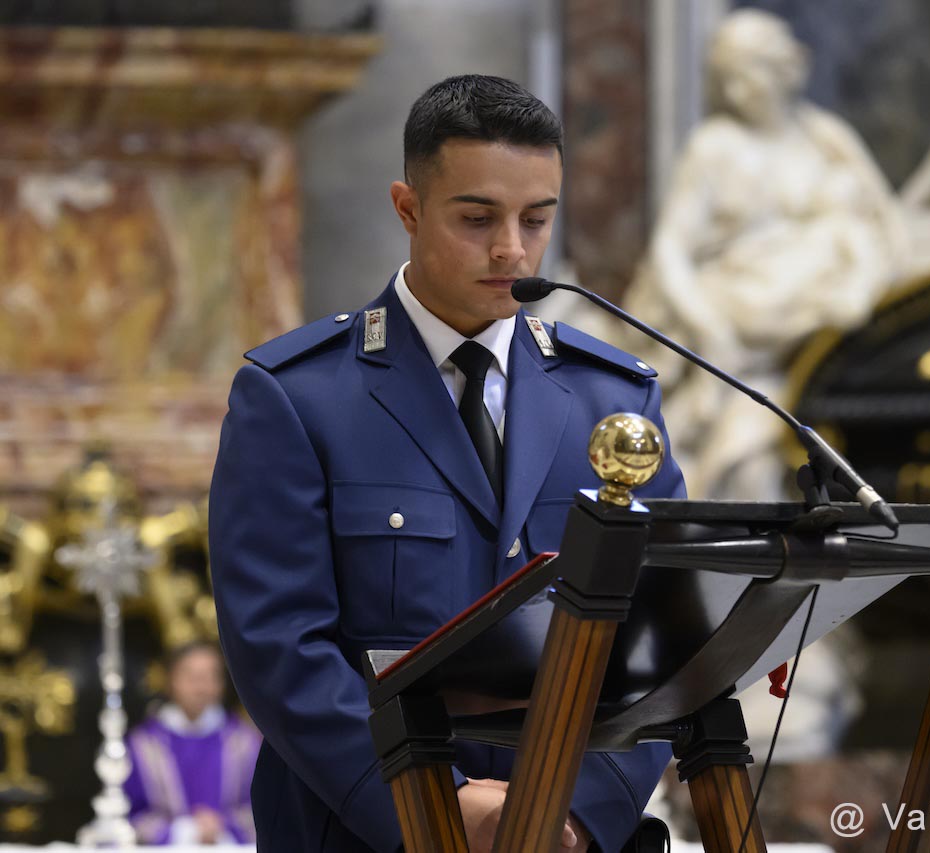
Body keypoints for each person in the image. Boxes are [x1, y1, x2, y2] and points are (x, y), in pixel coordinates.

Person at [208, 75, 685, 853]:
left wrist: (570, 811)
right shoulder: (297, 396)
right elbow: (279, 645)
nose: (512, 249)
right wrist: (438, 807)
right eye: (477, 217)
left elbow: (662, 638)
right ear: (408, 209)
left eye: (537, 218)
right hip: (368, 832)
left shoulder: (613, 399)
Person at [624, 8, 907, 501]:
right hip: (734, 335)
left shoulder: (826, 138)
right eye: (726, 79)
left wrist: (858, 277)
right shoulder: (715, 147)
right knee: (745, 465)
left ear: (785, 69)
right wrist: (710, 327)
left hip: (814, 342)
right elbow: (669, 249)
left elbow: (888, 231)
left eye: (747, 74)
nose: (737, 92)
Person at [123, 641, 260, 844]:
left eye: (210, 676)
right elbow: (129, 813)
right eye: (191, 677)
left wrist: (222, 826)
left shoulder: (245, 741)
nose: (200, 687)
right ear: (170, 680)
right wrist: (184, 830)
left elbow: (260, 807)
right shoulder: (143, 744)